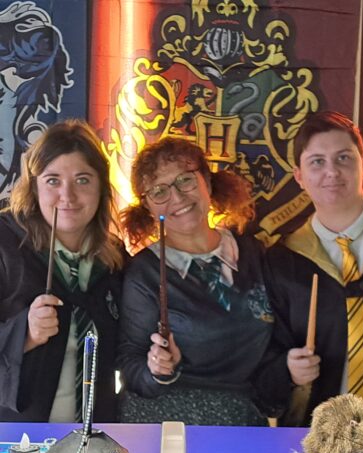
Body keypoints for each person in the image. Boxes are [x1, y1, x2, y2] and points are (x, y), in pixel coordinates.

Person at [117, 137, 288, 425]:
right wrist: (158, 371)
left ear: (207, 182)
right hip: (166, 423)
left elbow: (273, 342)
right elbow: (129, 363)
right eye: (159, 191)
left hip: (244, 419)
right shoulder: (144, 272)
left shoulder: (253, 253)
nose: (177, 197)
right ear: (148, 207)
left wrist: (289, 367)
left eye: (185, 180)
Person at [265, 111, 363, 428]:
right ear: (299, 176)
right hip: (323, 441)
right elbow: (265, 354)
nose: (332, 172)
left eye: (343, 158)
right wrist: (288, 370)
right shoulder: (284, 262)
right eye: (317, 162)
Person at [0, 119, 126, 422]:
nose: (67, 196)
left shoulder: (115, 259)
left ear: (101, 187)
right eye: (53, 180)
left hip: (95, 435)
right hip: (18, 437)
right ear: (34, 187)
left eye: (82, 180)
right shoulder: (5, 244)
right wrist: (24, 334)